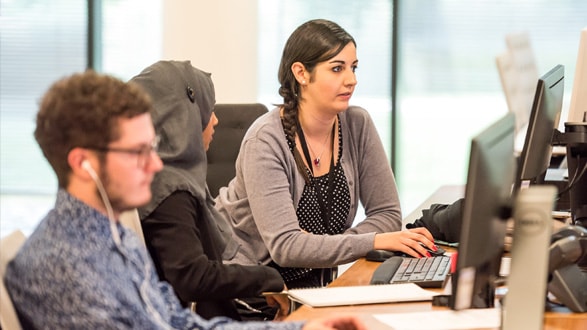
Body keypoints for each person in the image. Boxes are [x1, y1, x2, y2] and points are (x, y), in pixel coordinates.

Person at [4, 70, 366, 330]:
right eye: (137, 151)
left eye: (152, 147)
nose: (156, 163)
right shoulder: (66, 266)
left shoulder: (112, 235)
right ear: (83, 163)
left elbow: (177, 321)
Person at [215, 18, 436, 290]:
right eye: (337, 68)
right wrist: (372, 240)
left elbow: (387, 214)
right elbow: (286, 247)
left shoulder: (357, 124)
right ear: (301, 73)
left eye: (353, 68)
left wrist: (321, 244)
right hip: (255, 291)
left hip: (316, 287)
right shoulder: (265, 141)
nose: (351, 80)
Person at [130, 60, 288, 321]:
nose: (215, 120)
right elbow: (192, 278)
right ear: (183, 117)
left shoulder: (168, 178)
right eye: (208, 110)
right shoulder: (170, 190)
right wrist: (266, 278)